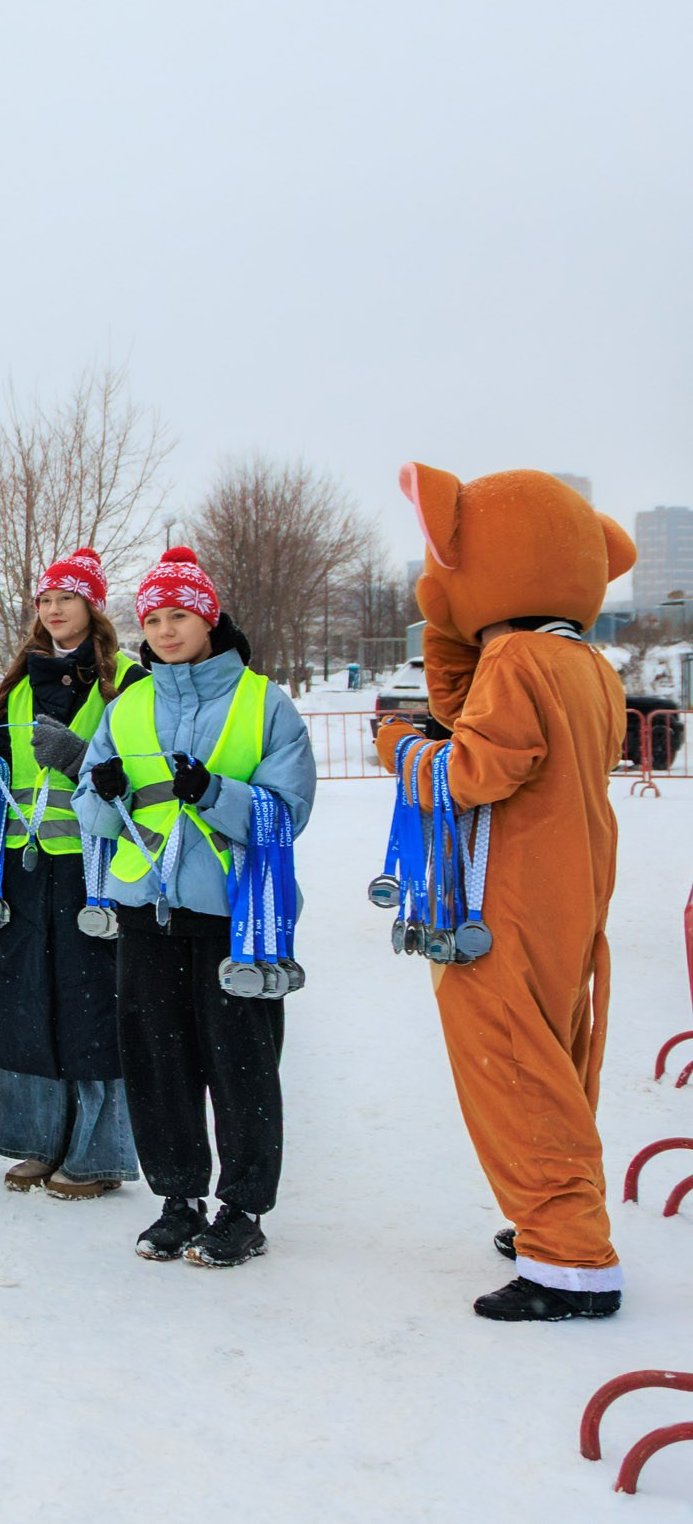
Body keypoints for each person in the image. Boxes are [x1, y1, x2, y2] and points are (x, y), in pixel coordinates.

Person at [376, 466, 636, 1322]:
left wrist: (400, 749)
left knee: (513, 1066)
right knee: (554, 1057)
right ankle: (555, 1217)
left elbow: (475, 769)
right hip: (569, 884)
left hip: (506, 894)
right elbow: (475, 714)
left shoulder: (518, 657)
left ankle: (568, 1258)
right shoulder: (582, 661)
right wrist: (453, 640)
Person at [76, 548, 317, 1269]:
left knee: (242, 1065)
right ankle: (178, 1199)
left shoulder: (264, 702)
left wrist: (214, 793)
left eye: (178, 615)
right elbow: (90, 810)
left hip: (236, 916)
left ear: (209, 619)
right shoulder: (128, 705)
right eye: (152, 619)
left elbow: (289, 810)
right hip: (146, 910)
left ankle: (243, 1209)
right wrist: (107, 794)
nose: (165, 630)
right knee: (158, 1063)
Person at [0, 548, 140, 1199]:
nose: (55, 609)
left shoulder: (127, 680)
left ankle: (97, 1155)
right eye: (46, 600)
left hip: (94, 869)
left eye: (68, 598)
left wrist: (81, 758)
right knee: (24, 1001)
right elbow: (4, 780)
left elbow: (141, 774)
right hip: (21, 868)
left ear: (93, 605)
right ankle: (37, 1141)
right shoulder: (18, 683)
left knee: (93, 1007)